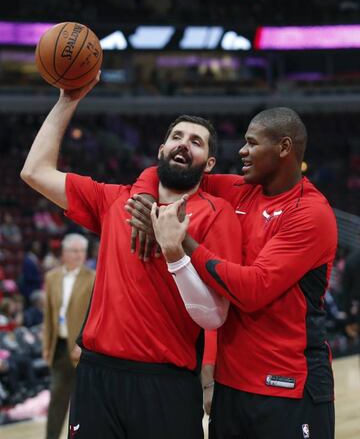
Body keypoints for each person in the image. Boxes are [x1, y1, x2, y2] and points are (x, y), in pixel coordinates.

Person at [20, 76, 241, 439]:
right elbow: (34, 172)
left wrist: (175, 253)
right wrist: (67, 100)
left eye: (196, 142)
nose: (184, 144)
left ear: (210, 162)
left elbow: (218, 312)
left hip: (165, 380)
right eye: (177, 137)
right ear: (161, 150)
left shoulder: (219, 215)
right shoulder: (115, 199)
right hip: (98, 376)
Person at [129, 107, 338, 439]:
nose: (241, 151)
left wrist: (184, 242)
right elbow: (168, 170)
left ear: (284, 148)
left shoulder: (311, 213)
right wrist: (142, 195)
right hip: (231, 383)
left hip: (288, 384)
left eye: (252, 144)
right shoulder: (239, 189)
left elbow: (252, 291)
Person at [43, 233, 95, 439]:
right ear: (64, 253)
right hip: (59, 347)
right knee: (57, 399)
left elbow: (94, 314)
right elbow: (49, 315)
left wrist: (83, 342)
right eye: (74, 251)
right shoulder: (51, 277)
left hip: (82, 349)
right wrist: (47, 346)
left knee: (85, 402)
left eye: (82, 251)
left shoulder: (93, 278)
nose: (79, 255)